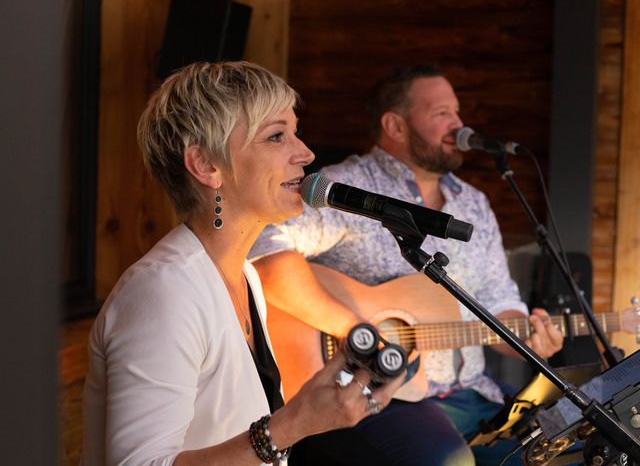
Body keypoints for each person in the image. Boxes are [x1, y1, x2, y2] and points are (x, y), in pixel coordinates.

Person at [80, 61, 405, 466]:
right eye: (276, 136)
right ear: (206, 166)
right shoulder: (163, 293)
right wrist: (292, 425)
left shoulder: (246, 276)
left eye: (295, 132)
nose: (305, 152)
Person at [249, 65, 564, 465]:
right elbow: (263, 246)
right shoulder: (346, 188)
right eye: (441, 114)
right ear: (395, 126)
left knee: (563, 446)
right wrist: (355, 329)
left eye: (457, 111)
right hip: (379, 391)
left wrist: (529, 339)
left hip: (474, 393)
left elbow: (497, 298)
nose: (459, 125)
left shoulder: (474, 204)